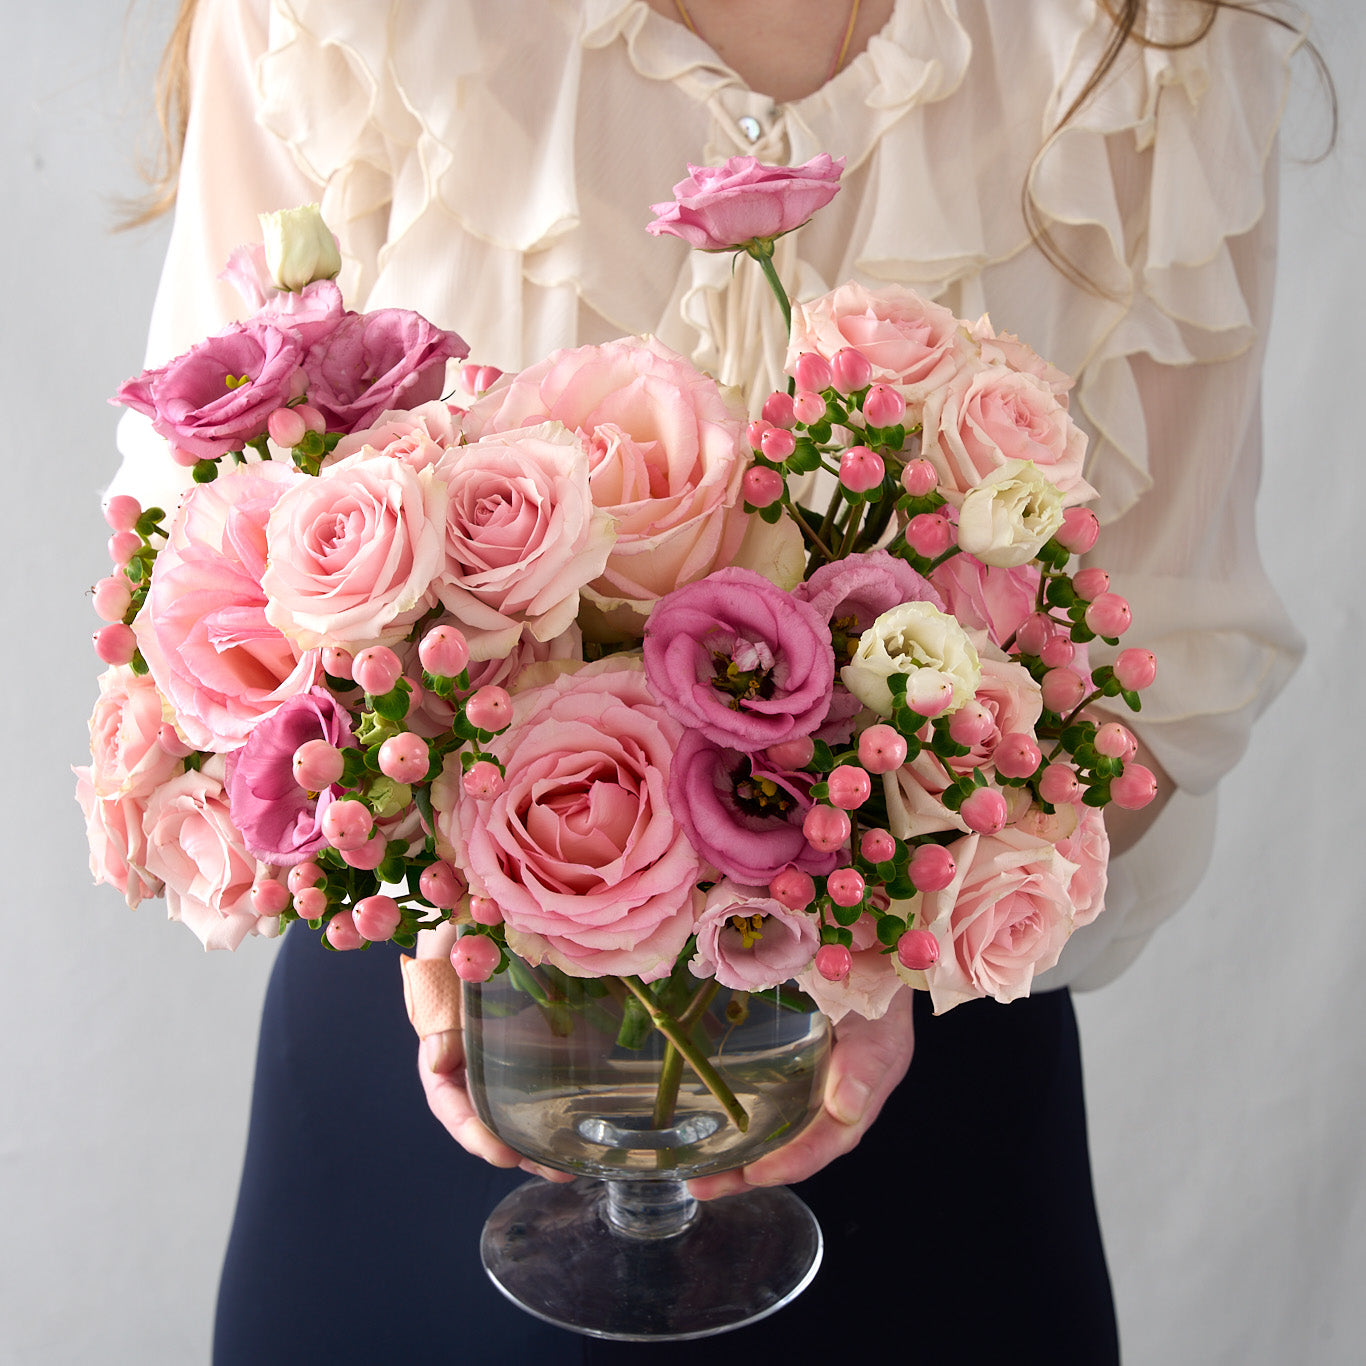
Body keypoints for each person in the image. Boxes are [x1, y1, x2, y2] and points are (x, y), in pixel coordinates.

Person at [111, 1, 1314, 1360]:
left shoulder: (1148, 44)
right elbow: (201, 547)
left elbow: (1168, 663)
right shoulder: (330, 18)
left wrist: (864, 960)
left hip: (907, 1124)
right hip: (444, 1054)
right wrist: (437, 898)